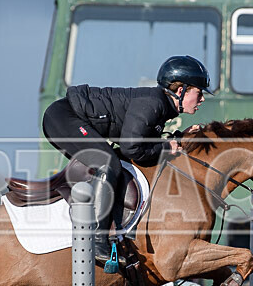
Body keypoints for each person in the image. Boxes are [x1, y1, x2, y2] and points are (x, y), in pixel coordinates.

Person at [42, 55, 212, 271]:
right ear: (181, 91)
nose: (202, 99)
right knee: (108, 164)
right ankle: (96, 240)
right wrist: (168, 147)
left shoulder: (162, 107)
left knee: (111, 162)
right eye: (199, 92)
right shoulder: (153, 103)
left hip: (71, 118)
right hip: (63, 117)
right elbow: (132, 148)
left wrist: (176, 140)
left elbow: (140, 144)